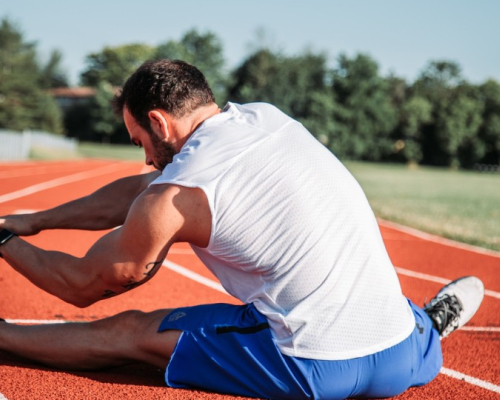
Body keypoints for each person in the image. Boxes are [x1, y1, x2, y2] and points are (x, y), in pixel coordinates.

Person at [0, 60, 485, 399]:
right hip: (399, 358)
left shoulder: (173, 198)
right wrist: (33, 220)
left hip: (311, 367)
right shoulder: (266, 119)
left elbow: (83, 286)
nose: (145, 157)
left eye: (140, 141)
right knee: (368, 293)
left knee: (131, 331)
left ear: (158, 122)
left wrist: (5, 240)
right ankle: (430, 327)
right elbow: (143, 186)